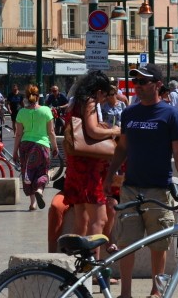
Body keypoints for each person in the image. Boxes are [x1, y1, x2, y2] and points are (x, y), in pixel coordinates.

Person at [106, 64, 178, 298]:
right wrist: (110, 175)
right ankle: (126, 293)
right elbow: (122, 147)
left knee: (159, 244)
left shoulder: (171, 114)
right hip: (131, 187)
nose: (138, 87)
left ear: (158, 84)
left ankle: (156, 291)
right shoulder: (129, 113)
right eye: (136, 82)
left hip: (158, 189)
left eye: (144, 82)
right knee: (126, 243)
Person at [61, 71, 120, 249]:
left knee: (82, 221)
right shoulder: (90, 102)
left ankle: (77, 269)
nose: (104, 98)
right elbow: (93, 130)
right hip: (89, 168)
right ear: (99, 91)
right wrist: (114, 130)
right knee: (99, 220)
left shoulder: (75, 102)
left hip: (75, 167)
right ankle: (94, 273)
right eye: (104, 93)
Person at [13, 85, 56, 211]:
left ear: (27, 97)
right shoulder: (46, 110)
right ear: (38, 97)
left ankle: (33, 203)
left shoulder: (21, 112)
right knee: (42, 171)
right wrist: (54, 147)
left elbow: (18, 134)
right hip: (42, 146)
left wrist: (15, 151)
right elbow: (51, 132)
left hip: (26, 146)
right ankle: (39, 190)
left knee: (28, 173)